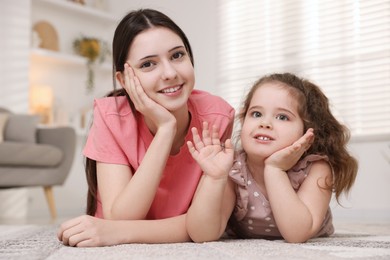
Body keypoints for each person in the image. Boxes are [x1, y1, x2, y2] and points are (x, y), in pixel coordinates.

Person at [57, 8, 236, 247]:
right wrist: (165, 129)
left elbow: (205, 225)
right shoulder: (112, 117)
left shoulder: (217, 115)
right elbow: (121, 218)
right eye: (148, 64)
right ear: (124, 80)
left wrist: (119, 232)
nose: (170, 73)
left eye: (177, 56)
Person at [186, 72, 358, 243]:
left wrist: (275, 170)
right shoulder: (234, 167)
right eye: (256, 114)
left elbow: (297, 234)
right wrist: (214, 178)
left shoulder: (316, 167)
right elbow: (202, 235)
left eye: (282, 117)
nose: (264, 123)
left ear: (307, 133)